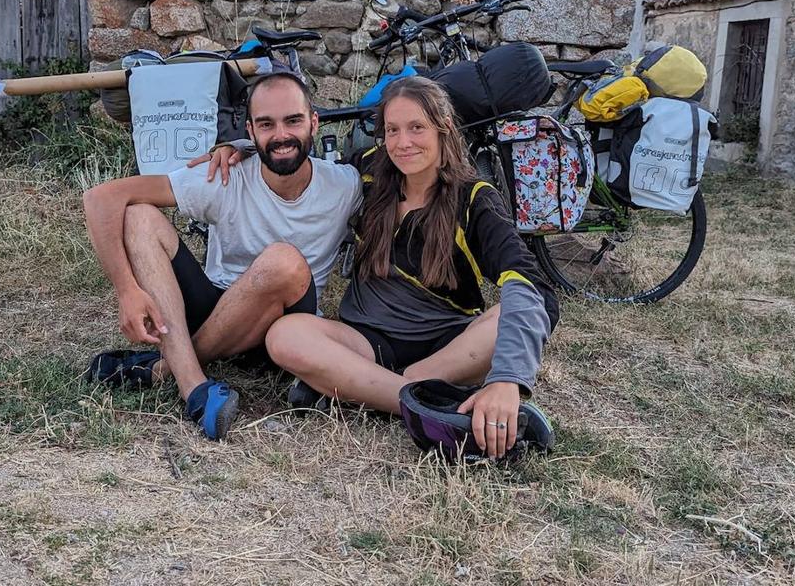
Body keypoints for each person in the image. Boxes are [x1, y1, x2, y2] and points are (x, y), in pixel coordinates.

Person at [263, 76, 559, 459]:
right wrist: (239, 149)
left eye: (417, 127)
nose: (403, 143)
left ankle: (362, 388)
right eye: (392, 130)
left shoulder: (474, 199)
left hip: (448, 347)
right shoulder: (369, 174)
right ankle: (439, 406)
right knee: (285, 335)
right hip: (365, 341)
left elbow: (534, 288)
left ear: (444, 127)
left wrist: (508, 381)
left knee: (511, 309)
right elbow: (300, 168)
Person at [81, 72, 362, 440]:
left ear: (314, 122)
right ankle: (195, 389)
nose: (280, 135)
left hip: (288, 327)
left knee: (284, 261)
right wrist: (127, 291)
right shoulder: (226, 175)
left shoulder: (346, 184)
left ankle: (164, 368)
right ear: (250, 130)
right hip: (217, 306)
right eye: (266, 124)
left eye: (292, 120)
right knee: (139, 216)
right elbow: (100, 198)